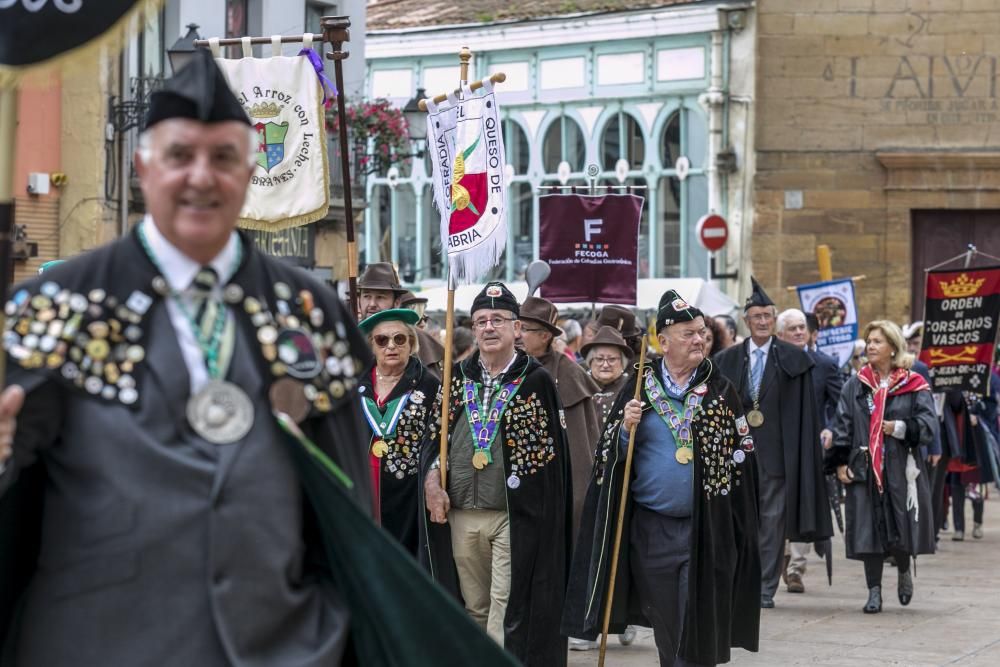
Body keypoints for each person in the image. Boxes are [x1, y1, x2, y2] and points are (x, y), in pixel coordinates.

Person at [0, 49, 377, 665]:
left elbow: (349, 513)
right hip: (95, 646)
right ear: (143, 167)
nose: (201, 177)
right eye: (180, 156)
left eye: (223, 158)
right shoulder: (54, 305)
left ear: (250, 172)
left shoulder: (308, 309)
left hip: (282, 647)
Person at [562, 290, 760, 667]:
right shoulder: (638, 386)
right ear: (663, 341)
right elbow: (607, 455)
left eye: (702, 331)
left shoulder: (721, 390)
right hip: (651, 529)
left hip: (705, 527)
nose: (699, 339)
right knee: (666, 620)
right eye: (688, 333)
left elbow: (743, 459)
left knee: (695, 622)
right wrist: (624, 430)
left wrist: (740, 527)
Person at [422, 282, 571, 666]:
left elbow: (551, 461)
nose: (488, 327)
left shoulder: (535, 381)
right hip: (461, 513)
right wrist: (433, 476)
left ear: (516, 328)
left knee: (504, 612)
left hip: (513, 514)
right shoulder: (456, 378)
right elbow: (434, 439)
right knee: (473, 607)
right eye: (481, 321)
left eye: (498, 320)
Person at [714, 277, 832, 609]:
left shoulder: (794, 360)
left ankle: (765, 588)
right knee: (739, 520)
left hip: (778, 458)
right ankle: (739, 580)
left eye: (768, 316)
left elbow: (804, 414)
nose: (763, 321)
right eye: (757, 317)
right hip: (737, 456)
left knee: (771, 524)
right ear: (746, 321)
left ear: (774, 318)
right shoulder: (728, 360)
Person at [827, 320, 937, 613]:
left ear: (892, 347)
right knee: (868, 530)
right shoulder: (856, 384)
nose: (870, 346)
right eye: (868, 341)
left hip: (901, 469)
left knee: (899, 528)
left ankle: (903, 570)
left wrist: (900, 427)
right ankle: (873, 591)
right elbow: (842, 425)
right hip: (864, 469)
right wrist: (839, 463)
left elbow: (928, 426)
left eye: (877, 341)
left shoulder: (914, 384)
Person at [358, 308, 441, 556]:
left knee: (401, 556)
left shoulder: (429, 386)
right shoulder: (356, 383)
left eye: (400, 339)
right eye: (382, 340)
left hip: (407, 493)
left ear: (411, 343)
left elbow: (438, 440)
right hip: (361, 485)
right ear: (372, 345)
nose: (391, 346)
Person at [520, 296, 601, 542]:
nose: (516, 335)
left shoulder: (569, 375)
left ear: (545, 336)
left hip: (553, 491)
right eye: (516, 326)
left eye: (524, 329)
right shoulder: (506, 367)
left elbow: (580, 452)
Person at [776, 308, 845, 595]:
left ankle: (795, 568)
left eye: (802, 327)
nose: (799, 332)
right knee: (777, 507)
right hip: (777, 448)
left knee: (804, 504)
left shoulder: (825, 364)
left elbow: (842, 405)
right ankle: (780, 554)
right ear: (780, 335)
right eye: (792, 328)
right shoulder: (769, 363)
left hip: (810, 449)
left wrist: (830, 428)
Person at [359, 268, 444, 377]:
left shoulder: (415, 337)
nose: (372, 304)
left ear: (397, 302)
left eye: (380, 297)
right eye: (366, 296)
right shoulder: (351, 336)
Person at [583, 325, 634, 427]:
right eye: (599, 359)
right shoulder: (580, 385)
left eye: (612, 359)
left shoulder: (631, 388)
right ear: (590, 361)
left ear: (622, 362)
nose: (605, 365)